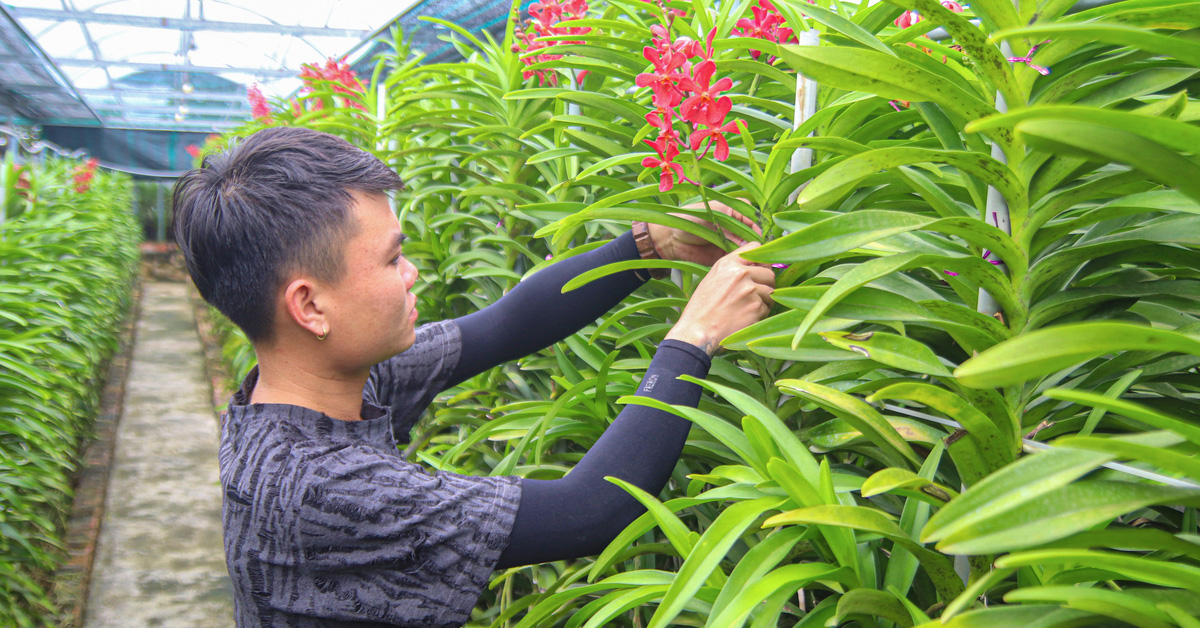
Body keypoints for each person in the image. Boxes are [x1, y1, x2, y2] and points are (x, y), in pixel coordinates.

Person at [171, 126, 775, 627]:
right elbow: (590, 510)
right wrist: (693, 338)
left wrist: (647, 243)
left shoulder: (305, 390)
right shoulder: (320, 488)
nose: (411, 273)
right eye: (390, 258)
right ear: (308, 307)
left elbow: (502, 326)